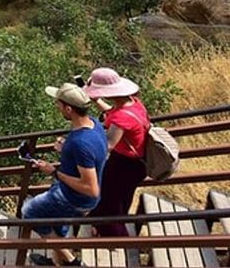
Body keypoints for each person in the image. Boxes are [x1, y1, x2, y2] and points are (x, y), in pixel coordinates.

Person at [22, 83, 108, 266]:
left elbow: (91, 189)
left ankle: (71, 261)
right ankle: (56, 261)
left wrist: (54, 172)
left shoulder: (79, 143)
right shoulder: (94, 124)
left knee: (29, 212)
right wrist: (66, 150)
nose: (56, 106)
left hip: (75, 198)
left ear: (69, 109)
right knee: (57, 223)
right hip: (72, 194)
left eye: (58, 104)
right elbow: (91, 155)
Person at [84, 68, 149, 237]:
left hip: (125, 165)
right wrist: (97, 101)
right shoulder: (133, 103)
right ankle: (101, 225)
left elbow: (109, 144)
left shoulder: (122, 118)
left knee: (110, 203)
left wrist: (81, 144)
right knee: (120, 199)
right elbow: (112, 113)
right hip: (135, 163)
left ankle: (115, 237)